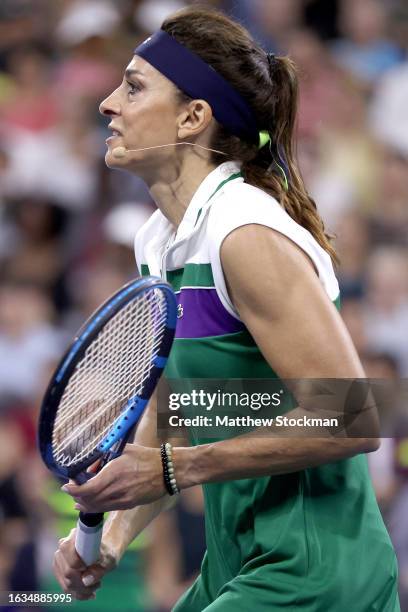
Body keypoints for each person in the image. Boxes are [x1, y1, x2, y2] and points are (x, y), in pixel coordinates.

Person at [52, 7, 400, 611]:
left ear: (193, 117)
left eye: (133, 87)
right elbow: (179, 413)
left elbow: (353, 415)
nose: (108, 104)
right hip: (237, 561)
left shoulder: (245, 232)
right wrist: (112, 535)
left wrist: (171, 469)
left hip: (315, 570)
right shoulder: (158, 242)